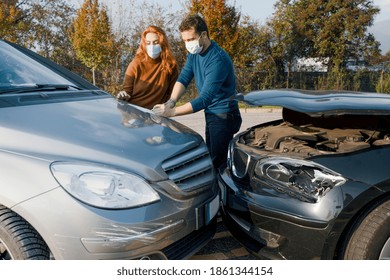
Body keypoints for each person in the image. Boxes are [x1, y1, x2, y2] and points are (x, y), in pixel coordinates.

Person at [152, 14, 242, 169]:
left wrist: (171, 113)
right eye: (185, 40)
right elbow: (184, 78)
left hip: (223, 115)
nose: (188, 44)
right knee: (212, 159)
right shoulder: (194, 54)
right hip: (213, 113)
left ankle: (226, 192)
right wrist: (171, 101)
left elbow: (205, 98)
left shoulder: (217, 59)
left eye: (191, 39)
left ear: (203, 35)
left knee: (217, 164)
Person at [117, 25, 179, 110]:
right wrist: (123, 96)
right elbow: (127, 92)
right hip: (135, 113)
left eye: (156, 42)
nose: (152, 46)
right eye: (148, 43)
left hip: (157, 114)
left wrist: (165, 108)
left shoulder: (171, 65)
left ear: (162, 43)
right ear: (144, 44)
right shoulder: (136, 64)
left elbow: (172, 94)